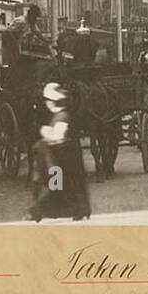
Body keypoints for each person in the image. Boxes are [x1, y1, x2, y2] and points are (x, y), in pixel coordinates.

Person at [29, 82, 91, 221]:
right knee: (69, 185)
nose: (47, 104)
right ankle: (78, 209)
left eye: (48, 101)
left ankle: (38, 211)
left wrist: (45, 132)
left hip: (59, 159)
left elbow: (58, 136)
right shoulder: (61, 115)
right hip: (65, 157)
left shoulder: (62, 117)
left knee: (53, 184)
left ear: (52, 103)